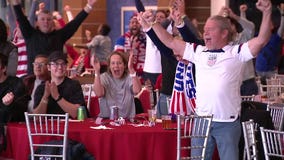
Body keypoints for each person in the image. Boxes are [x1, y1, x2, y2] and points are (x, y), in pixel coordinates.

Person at [137, 0, 272, 159]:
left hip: (227, 123)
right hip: (201, 121)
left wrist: (267, 11)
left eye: (210, 29)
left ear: (224, 33)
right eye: (205, 29)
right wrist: (153, 23)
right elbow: (170, 41)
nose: (205, 33)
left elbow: (261, 39)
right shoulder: (198, 51)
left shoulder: (236, 52)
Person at [10, 0, 98, 75]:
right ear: (37, 22)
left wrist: (89, 5)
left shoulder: (60, 35)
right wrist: (15, 2)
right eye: (43, 19)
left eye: (49, 19)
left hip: (55, 79)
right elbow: (20, 17)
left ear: (52, 22)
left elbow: (75, 23)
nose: (46, 22)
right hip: (33, 80)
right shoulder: (30, 34)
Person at [32, 51, 86, 119]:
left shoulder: (73, 85)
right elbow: (37, 118)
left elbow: (78, 114)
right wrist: (45, 97)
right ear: (49, 67)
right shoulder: (42, 87)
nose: (60, 67)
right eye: (56, 64)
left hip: (70, 127)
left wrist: (57, 97)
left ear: (66, 66)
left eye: (63, 64)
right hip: (48, 128)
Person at [219, 4, 258, 96]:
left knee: (250, 109)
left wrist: (235, 16)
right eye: (225, 27)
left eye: (230, 25)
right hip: (230, 82)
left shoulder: (243, 37)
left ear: (234, 26)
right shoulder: (221, 42)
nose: (228, 29)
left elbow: (251, 27)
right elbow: (209, 33)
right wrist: (218, 17)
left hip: (248, 82)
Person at [92, 51, 142, 120]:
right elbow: (99, 94)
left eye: (119, 63)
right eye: (113, 63)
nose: (116, 66)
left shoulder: (129, 77)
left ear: (124, 65)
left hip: (127, 120)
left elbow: (137, 90)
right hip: (107, 120)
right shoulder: (104, 77)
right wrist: (97, 71)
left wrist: (131, 68)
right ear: (109, 66)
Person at [255, 4, 284, 82]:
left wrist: (282, 13)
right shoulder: (258, 36)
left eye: (269, 23)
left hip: (271, 71)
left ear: (273, 26)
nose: (267, 25)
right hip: (259, 69)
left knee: (273, 92)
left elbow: (282, 27)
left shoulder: (276, 37)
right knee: (260, 92)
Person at [114, 14, 146, 80]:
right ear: (129, 25)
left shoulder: (146, 39)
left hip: (144, 76)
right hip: (127, 77)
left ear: (141, 25)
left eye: (137, 22)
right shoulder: (121, 39)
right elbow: (118, 59)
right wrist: (133, 49)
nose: (134, 24)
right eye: (132, 22)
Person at [0, 54, 28, 123]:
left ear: (4, 68)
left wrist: (9, 104)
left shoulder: (16, 83)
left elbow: (21, 112)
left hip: (11, 126)